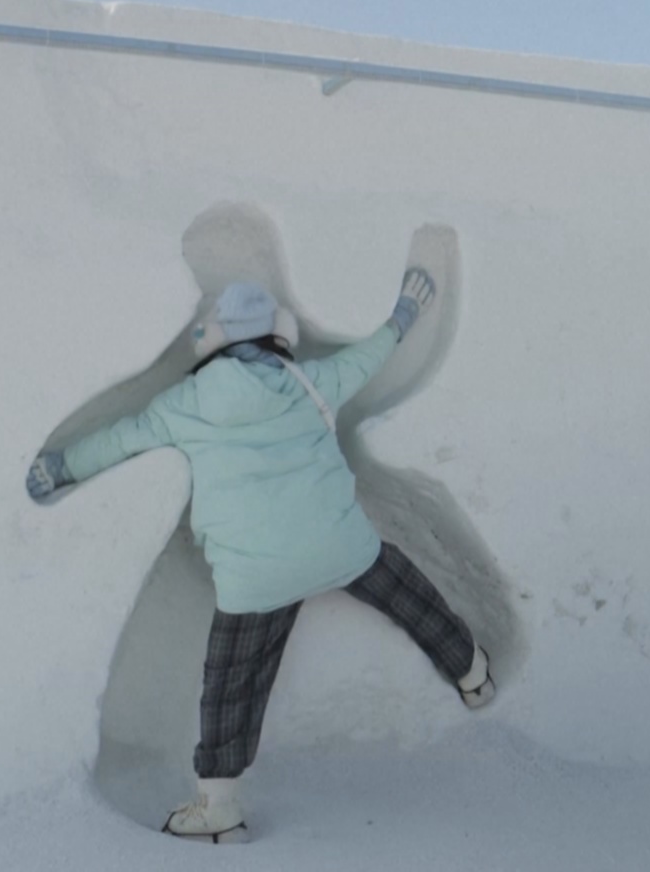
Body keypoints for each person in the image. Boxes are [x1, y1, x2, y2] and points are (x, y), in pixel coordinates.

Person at [25, 270, 496, 844]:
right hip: (339, 545)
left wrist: (62, 468)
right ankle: (471, 670)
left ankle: (217, 806)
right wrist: (402, 313)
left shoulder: (186, 402)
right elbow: (371, 356)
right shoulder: (313, 381)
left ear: (213, 341)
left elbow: (125, 435)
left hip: (255, 576)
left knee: (232, 679)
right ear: (278, 336)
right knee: (408, 592)